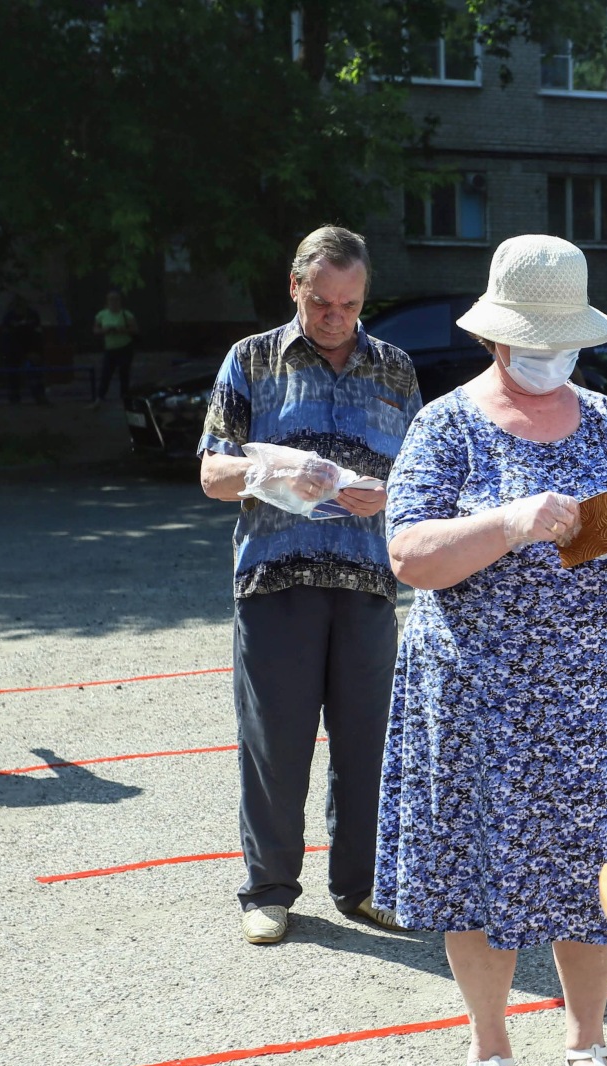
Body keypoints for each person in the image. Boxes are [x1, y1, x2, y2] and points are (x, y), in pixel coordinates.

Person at [380, 234, 607, 1066]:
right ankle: (490, 1054)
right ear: (496, 335)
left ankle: (588, 1045)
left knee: (597, 865)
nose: (550, 355)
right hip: (483, 697)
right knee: (482, 866)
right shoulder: (446, 424)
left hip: (603, 692)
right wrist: (510, 521)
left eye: (564, 340)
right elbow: (408, 555)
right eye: (534, 339)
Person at [197, 227, 423, 945]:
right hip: (276, 580)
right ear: (294, 287)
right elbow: (211, 473)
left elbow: (424, 480)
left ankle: (364, 886)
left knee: (368, 744)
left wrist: (387, 492)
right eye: (322, 302)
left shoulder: (395, 368)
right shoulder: (251, 359)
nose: (335, 317)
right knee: (276, 743)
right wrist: (271, 472)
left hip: (368, 581)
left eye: (350, 305)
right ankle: (268, 891)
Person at [90, 288, 139, 406]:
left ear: (120, 301)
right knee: (106, 373)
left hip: (125, 347)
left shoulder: (126, 314)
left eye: (116, 300)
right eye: (111, 300)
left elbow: (135, 329)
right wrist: (104, 330)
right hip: (110, 348)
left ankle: (124, 398)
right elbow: (95, 330)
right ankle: (100, 397)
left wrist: (122, 330)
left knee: (124, 373)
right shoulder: (102, 314)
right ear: (107, 301)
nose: (114, 302)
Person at [0, 294, 47, 405]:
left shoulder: (33, 315)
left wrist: (36, 352)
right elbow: (8, 338)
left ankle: (39, 396)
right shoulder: (9, 317)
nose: (20, 308)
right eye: (17, 306)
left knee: (36, 373)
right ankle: (14, 399)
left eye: (22, 305)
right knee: (13, 374)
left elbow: (38, 335)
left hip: (31, 348)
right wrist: (18, 353)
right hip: (14, 349)